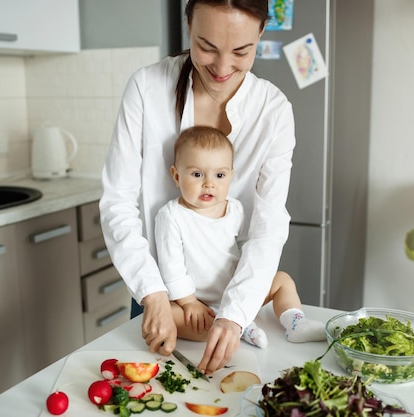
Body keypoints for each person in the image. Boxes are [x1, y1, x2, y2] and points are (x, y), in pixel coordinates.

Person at [100, 0, 309, 373]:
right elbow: (118, 201)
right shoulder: (147, 88)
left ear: (261, 33)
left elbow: (269, 224)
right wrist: (154, 294)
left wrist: (235, 315)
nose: (222, 67)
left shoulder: (273, 110)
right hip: (161, 293)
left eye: (242, 51)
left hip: (238, 293)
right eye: (207, 47)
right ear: (188, 26)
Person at [155, 125, 325, 349]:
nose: (209, 183)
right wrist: (189, 302)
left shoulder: (235, 209)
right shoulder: (171, 216)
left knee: (282, 280)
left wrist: (243, 297)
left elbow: (249, 248)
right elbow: (171, 267)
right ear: (177, 176)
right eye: (197, 174)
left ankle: (295, 322)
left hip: (235, 293)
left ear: (230, 176)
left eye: (220, 175)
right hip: (198, 301)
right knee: (168, 314)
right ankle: (238, 328)